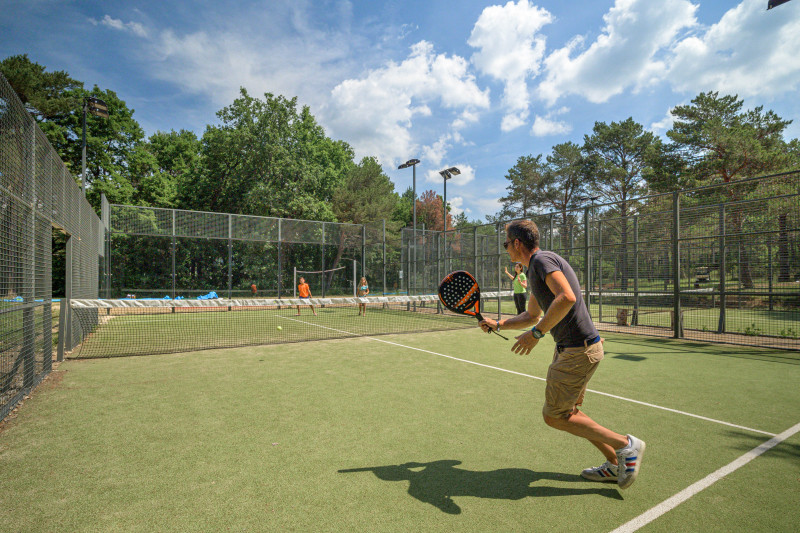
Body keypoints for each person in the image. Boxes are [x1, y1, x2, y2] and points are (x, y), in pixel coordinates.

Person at [479, 219, 645, 490]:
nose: (506, 248)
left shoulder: (542, 261)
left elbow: (566, 297)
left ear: (517, 243)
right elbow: (532, 314)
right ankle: (615, 462)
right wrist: (499, 324)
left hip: (578, 351)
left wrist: (536, 334)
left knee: (554, 415)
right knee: (570, 410)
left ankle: (626, 445)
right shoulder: (536, 268)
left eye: (506, 243)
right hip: (575, 349)